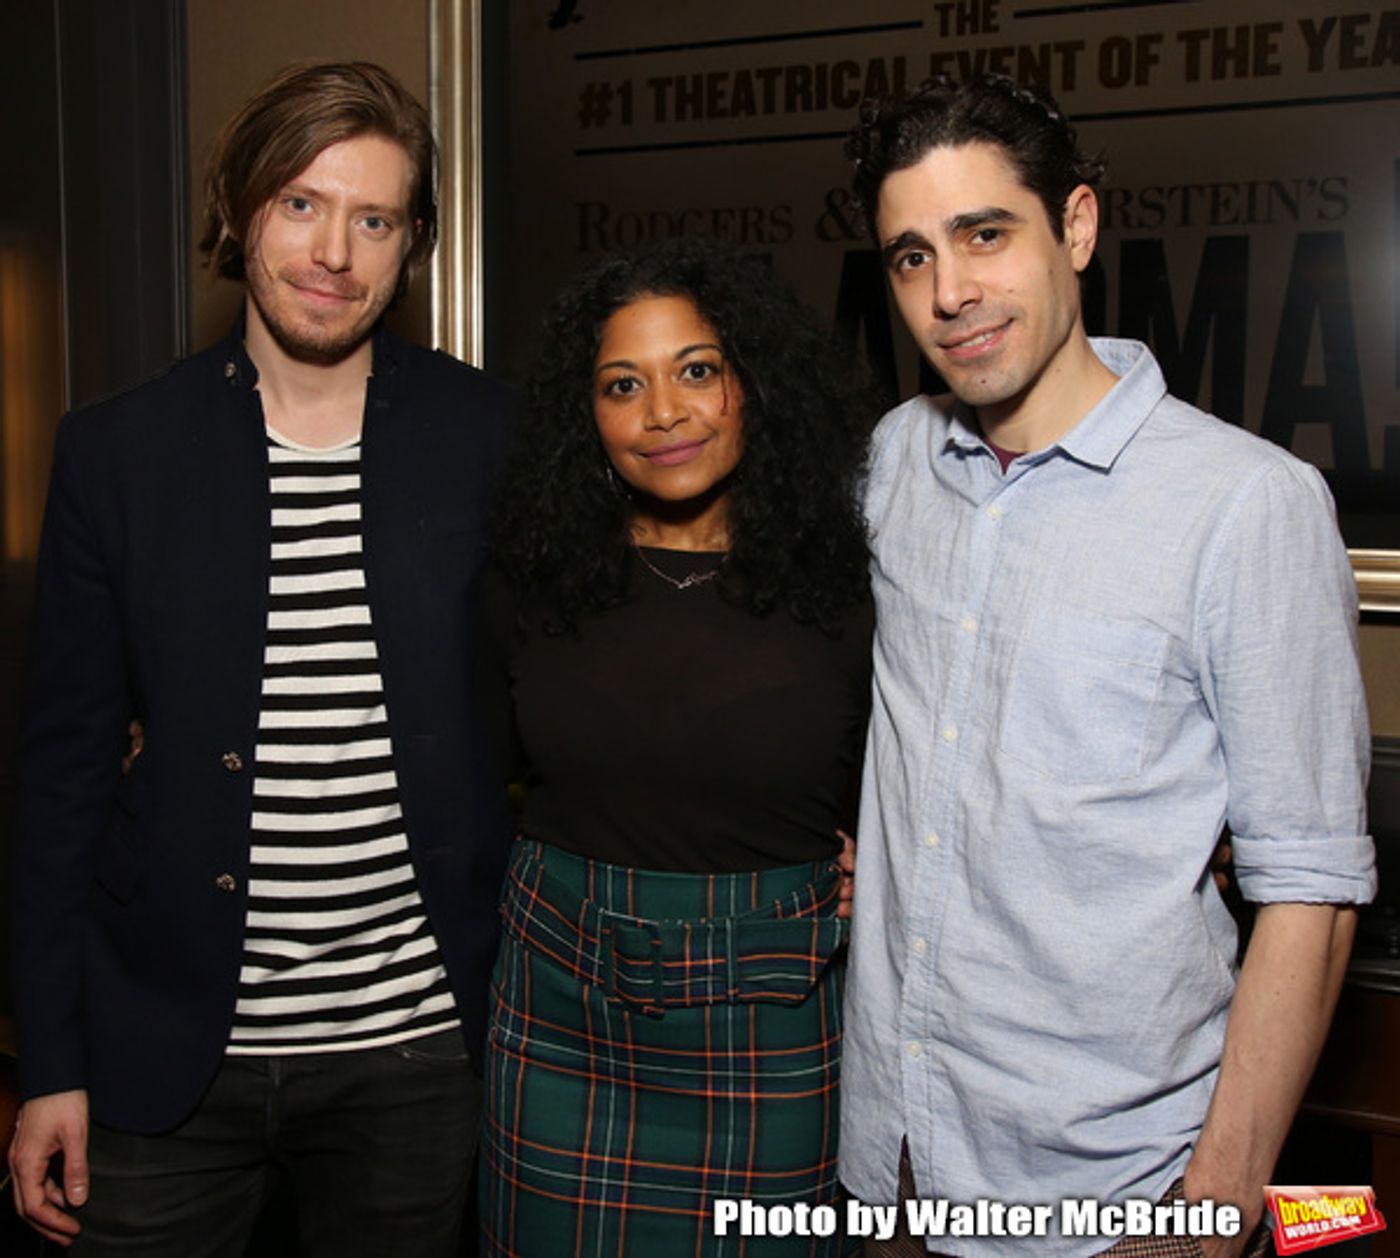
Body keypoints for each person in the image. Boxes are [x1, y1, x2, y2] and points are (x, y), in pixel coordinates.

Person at [838, 75, 1375, 1257]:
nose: (950, 293)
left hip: (1106, 1194)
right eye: (909, 256)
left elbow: (1310, 884)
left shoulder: (1246, 505)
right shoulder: (895, 461)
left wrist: (1212, 1212)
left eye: (986, 235)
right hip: (894, 1163)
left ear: (1074, 226)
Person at [9, 62, 513, 1255]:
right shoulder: (115, 455)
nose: (333, 251)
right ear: (236, 214)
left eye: (373, 217)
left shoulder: (490, 436)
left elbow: (588, 680)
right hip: (161, 1048)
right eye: (299, 203)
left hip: (414, 1051)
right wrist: (49, 1059)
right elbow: (62, 776)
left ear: (411, 244)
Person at [479, 239, 873, 1257]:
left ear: (753, 383)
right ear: (587, 417)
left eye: (696, 369)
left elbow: (935, 774)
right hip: (558, 1015)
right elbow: (450, 760)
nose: (663, 412)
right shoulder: (532, 579)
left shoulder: (854, 587)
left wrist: (881, 860)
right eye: (622, 384)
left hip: (771, 1020)